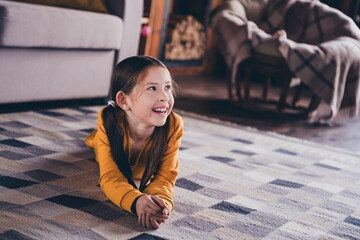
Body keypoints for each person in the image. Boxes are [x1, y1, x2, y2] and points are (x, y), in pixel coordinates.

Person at [85, 56, 183, 229]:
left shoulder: (173, 125)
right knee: (95, 143)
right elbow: (110, 177)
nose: (164, 97)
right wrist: (136, 201)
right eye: (152, 88)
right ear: (123, 100)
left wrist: (159, 203)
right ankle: (95, 137)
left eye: (167, 87)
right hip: (105, 141)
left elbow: (165, 178)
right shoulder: (109, 120)